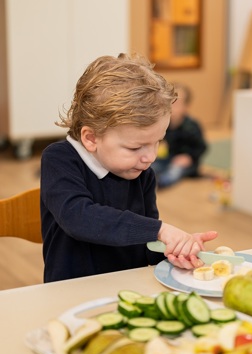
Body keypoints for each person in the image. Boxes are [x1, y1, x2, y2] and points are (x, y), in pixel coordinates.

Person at [40, 53, 218, 283]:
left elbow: (145, 243)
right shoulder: (60, 160)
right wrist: (159, 230)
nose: (150, 157)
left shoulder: (141, 173)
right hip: (70, 290)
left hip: (128, 287)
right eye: (136, 147)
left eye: (158, 142)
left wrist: (172, 250)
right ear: (91, 138)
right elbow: (78, 217)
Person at [151, 82, 207, 188]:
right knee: (153, 165)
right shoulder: (166, 123)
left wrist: (189, 157)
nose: (171, 106)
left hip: (187, 162)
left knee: (174, 171)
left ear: (186, 107)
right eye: (169, 102)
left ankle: (161, 182)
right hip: (170, 156)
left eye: (176, 103)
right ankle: (147, 180)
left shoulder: (191, 126)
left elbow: (202, 146)